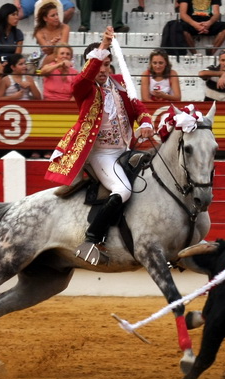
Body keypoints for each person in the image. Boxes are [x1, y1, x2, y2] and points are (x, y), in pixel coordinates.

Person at [45, 27, 154, 265]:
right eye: (99, 65)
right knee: (123, 191)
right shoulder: (83, 87)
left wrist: (146, 123)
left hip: (125, 150)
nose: (103, 69)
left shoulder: (120, 85)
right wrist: (103, 45)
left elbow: (139, 108)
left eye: (107, 65)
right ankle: (92, 239)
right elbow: (85, 76)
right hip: (101, 154)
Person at [33, 1, 69, 68]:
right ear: (45, 18)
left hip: (63, 56)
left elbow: (63, 47)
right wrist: (53, 44)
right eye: (53, 15)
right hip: (46, 56)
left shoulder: (65, 27)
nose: (56, 17)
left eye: (57, 14)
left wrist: (51, 46)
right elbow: (46, 50)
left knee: (63, 55)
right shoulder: (39, 31)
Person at [0, 3, 24, 70]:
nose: (17, 17)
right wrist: (0, 67)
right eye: (13, 15)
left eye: (17, 14)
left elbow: (17, 56)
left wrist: (8, 66)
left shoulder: (19, 33)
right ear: (5, 16)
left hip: (11, 65)